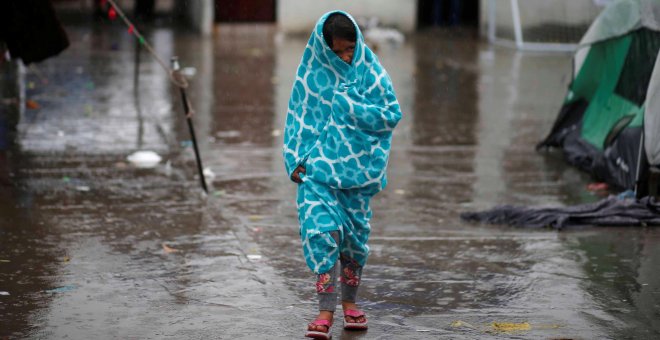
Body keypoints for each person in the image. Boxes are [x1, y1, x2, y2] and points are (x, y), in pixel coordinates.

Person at [282, 11, 402, 339]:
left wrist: (350, 108)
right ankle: (324, 311)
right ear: (324, 48)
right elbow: (298, 118)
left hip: (357, 176)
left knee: (354, 241)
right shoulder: (311, 74)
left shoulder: (372, 73)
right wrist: (295, 160)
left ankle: (350, 304)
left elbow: (390, 114)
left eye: (349, 49)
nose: (345, 57)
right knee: (322, 234)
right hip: (317, 173)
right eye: (336, 52)